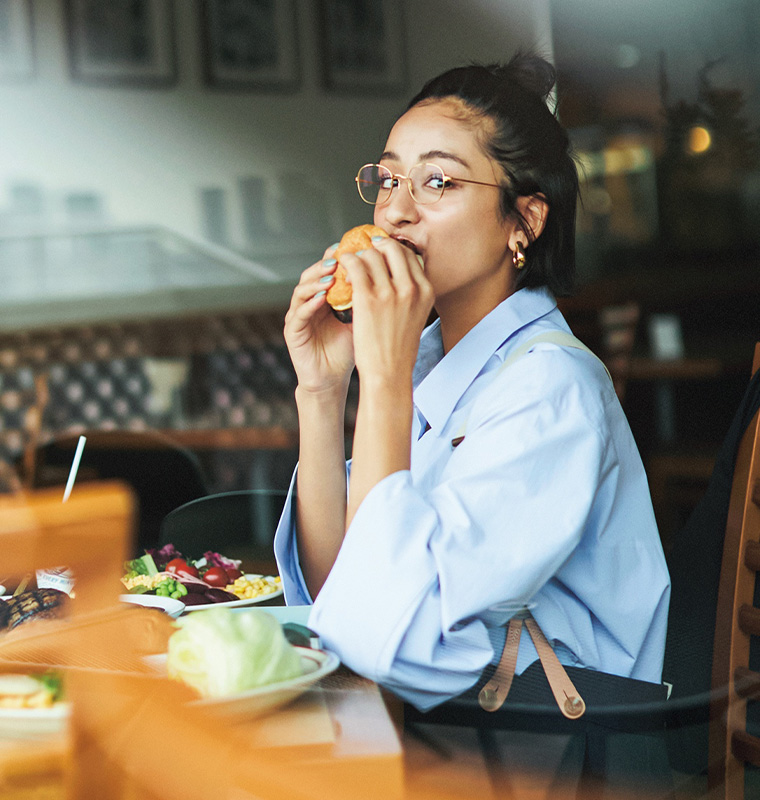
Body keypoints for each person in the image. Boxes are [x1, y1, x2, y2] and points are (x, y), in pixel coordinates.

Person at [274, 53, 670, 713]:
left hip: (541, 747)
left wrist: (386, 380)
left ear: (524, 222)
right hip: (440, 722)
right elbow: (338, 593)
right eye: (389, 177)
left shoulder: (551, 388)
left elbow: (380, 632)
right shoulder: (437, 366)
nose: (395, 212)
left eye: (438, 182)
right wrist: (320, 391)